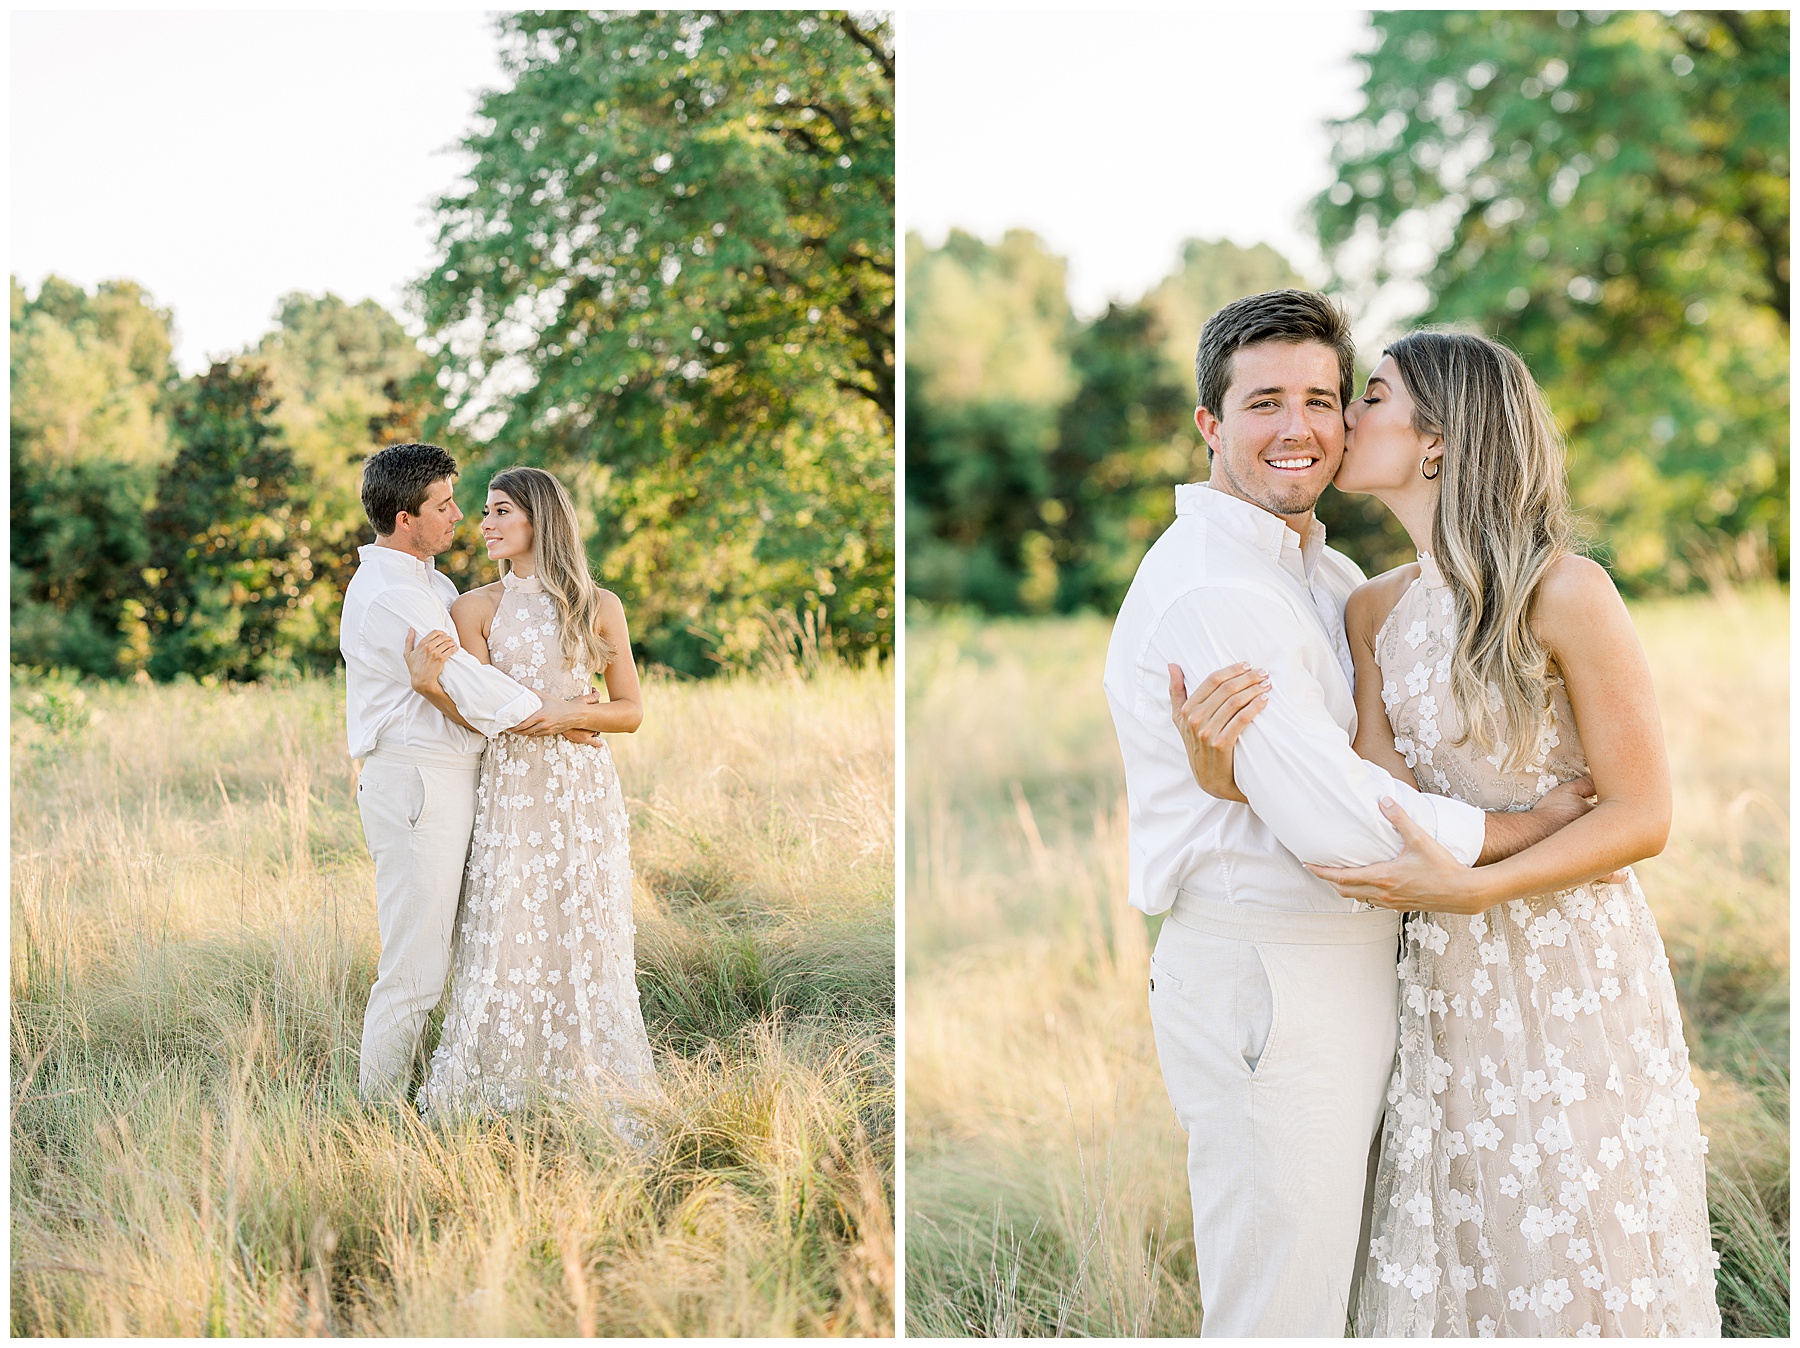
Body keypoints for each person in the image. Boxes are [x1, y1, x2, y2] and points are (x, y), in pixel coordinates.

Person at [1179, 330, 1719, 1335]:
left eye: (1368, 396)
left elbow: (1645, 815)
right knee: (1470, 1250)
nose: (1341, 419)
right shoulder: (1373, 608)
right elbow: (1372, 802)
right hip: (1440, 976)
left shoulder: (1567, 591)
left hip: (1569, 971)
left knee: (1579, 1237)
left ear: (1438, 439)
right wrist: (1241, 780)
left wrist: (1479, 886)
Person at [1101, 290, 1595, 1337]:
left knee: (1363, 1285)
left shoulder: (1325, 573)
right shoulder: (1211, 590)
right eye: (1264, 402)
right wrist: (1533, 825)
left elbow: (1341, 764)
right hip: (1273, 974)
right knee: (1281, 1303)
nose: (1301, 429)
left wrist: (1241, 782)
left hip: (1378, 967)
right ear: (1210, 426)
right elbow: (1348, 826)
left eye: (1326, 399)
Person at [342, 442, 604, 1101]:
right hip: (418, 782)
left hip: (460, 778)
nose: (459, 516)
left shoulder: (430, 584)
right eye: (444, 505)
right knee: (415, 970)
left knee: (476, 947)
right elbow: (474, 686)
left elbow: (464, 691)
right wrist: (567, 716)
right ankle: (373, 1121)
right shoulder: (389, 595)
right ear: (406, 519)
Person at [405, 465, 658, 1120]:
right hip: (513, 790)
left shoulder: (599, 606)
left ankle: (588, 1084)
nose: (483, 525)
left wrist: (569, 715)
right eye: (484, 513)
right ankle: (503, 1093)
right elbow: (484, 712)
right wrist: (436, 688)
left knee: (585, 927)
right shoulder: (474, 608)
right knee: (508, 930)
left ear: (539, 520)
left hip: (583, 793)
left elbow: (629, 711)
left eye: (498, 512)